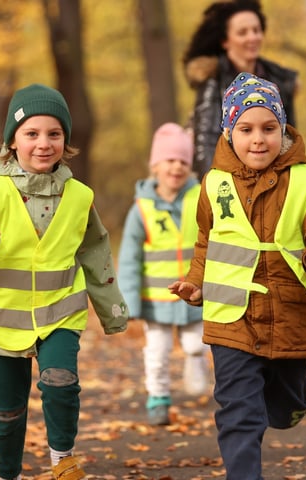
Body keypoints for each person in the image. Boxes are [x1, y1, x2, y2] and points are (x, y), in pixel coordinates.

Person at [0, 83, 129, 480]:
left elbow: (96, 253)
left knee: (61, 383)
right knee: (7, 408)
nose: (44, 144)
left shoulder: (80, 196)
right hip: (3, 320)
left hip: (60, 314)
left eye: (54, 134)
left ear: (66, 141)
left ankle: (63, 459)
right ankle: (9, 472)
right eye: (32, 134)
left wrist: (112, 312)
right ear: (12, 142)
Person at [168, 73, 306, 479]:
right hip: (232, 316)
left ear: (282, 130)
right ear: (229, 133)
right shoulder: (214, 184)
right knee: (239, 410)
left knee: (287, 404)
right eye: (246, 129)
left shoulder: (305, 180)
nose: (258, 139)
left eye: (269, 128)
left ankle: (290, 402)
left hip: (291, 310)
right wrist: (196, 283)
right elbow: (206, 239)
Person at [117, 122, 210, 426]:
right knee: (157, 352)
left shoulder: (201, 199)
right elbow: (129, 258)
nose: (177, 167)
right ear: (155, 165)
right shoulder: (141, 209)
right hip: (155, 300)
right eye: (170, 160)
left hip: (194, 294)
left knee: (197, 344)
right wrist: (128, 302)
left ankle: (195, 366)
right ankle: (158, 396)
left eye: (183, 161)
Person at [183, 0, 298, 179]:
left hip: (273, 179)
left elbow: (290, 141)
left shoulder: (280, 80)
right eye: (242, 32)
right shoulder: (213, 79)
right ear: (225, 41)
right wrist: (218, 189)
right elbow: (205, 144)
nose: (252, 37)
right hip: (229, 179)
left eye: (256, 30)